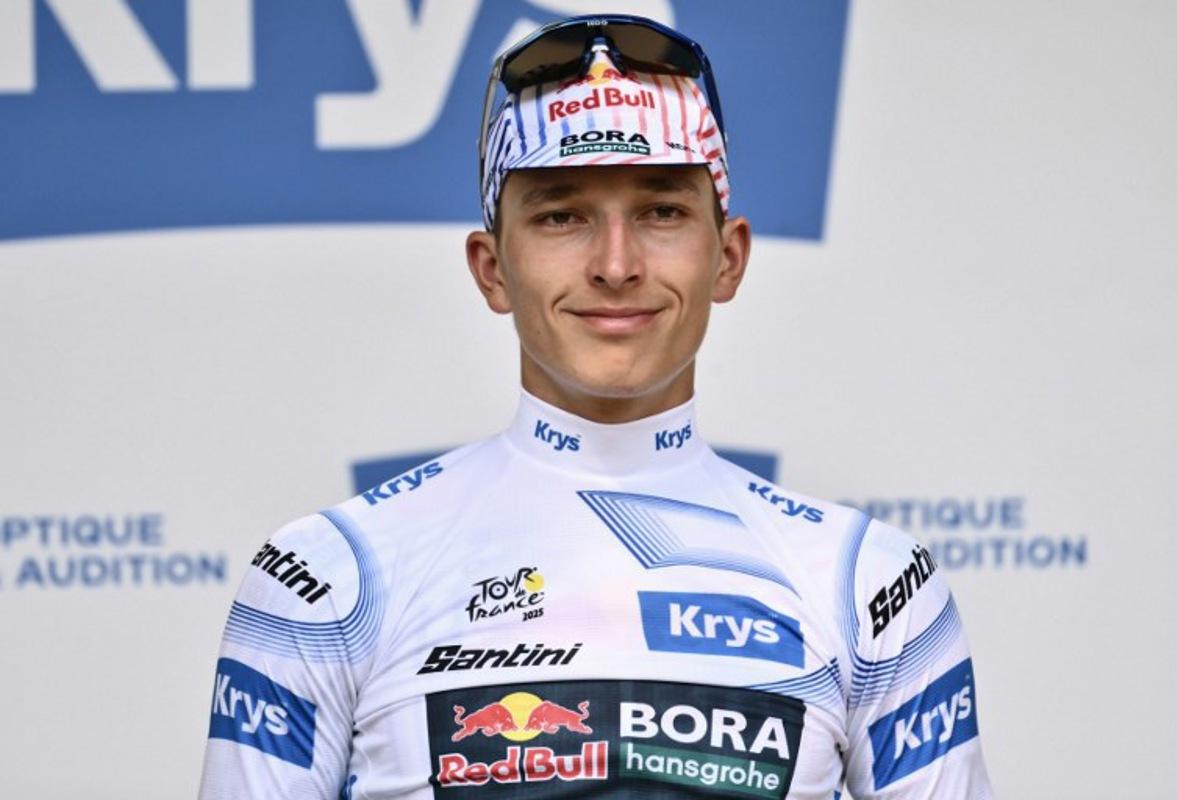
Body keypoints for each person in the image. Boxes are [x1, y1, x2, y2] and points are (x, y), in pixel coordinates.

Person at [199, 14, 993, 799]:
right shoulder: (325, 578)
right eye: (560, 215)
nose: (617, 266)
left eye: (662, 211)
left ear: (730, 257)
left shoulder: (870, 582)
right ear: (492, 269)